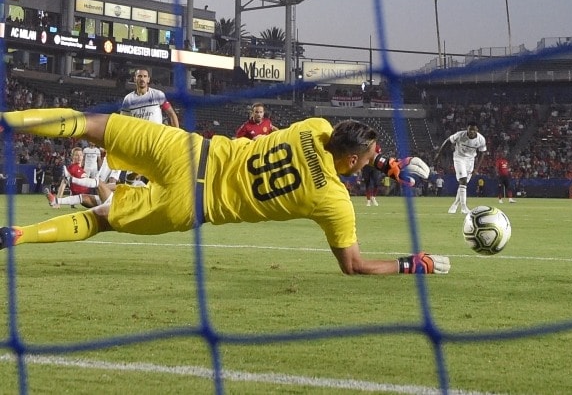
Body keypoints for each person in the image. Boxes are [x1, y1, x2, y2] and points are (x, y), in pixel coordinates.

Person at [0, 108, 448, 276]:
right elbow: (354, 266)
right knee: (100, 218)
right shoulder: (333, 202)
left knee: (92, 124)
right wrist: (413, 264)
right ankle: (20, 235)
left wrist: (382, 161)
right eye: (367, 160)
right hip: (191, 205)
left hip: (189, 151)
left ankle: (10, 118)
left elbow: (346, 141)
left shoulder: (314, 128)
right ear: (352, 163)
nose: (370, 163)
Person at [434, 122, 487, 214]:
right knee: (463, 181)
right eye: (470, 129)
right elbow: (447, 141)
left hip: (470, 161)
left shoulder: (481, 139)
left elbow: (482, 153)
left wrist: (476, 168)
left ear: (477, 130)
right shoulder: (460, 135)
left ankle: (455, 204)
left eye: (473, 129)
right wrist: (439, 154)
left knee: (464, 184)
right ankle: (464, 207)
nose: (471, 131)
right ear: (467, 129)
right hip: (459, 158)